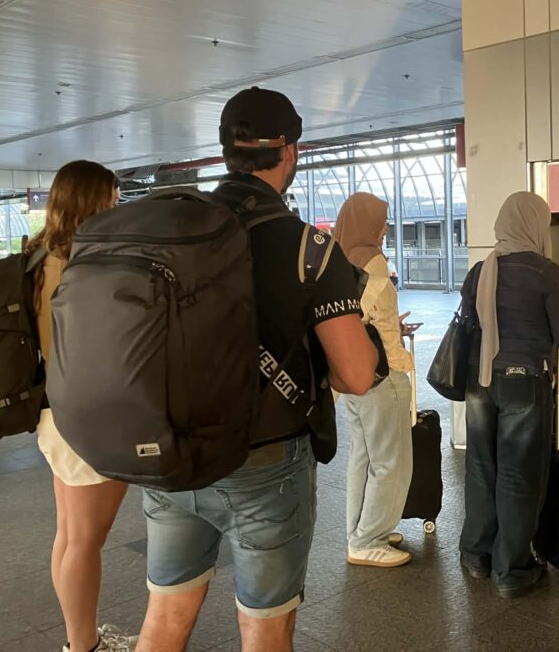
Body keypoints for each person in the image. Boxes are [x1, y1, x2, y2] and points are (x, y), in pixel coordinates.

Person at [135, 87, 378, 652]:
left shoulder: (173, 233)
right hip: (266, 466)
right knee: (265, 631)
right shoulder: (308, 249)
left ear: (225, 153)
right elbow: (357, 375)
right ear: (289, 151)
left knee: (164, 622)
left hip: (173, 456)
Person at [26, 160, 133, 652]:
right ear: (91, 202)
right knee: (86, 538)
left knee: (70, 534)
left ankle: (80, 638)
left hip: (55, 411)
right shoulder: (77, 266)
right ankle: (82, 646)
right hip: (86, 415)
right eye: (111, 200)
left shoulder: (40, 257)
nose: (116, 208)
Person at [458, 191, 559, 599]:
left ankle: (476, 556)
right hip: (523, 383)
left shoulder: (480, 270)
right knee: (518, 476)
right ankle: (513, 570)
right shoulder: (546, 273)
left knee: (481, 468)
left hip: (480, 381)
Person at [333, 193, 414, 567]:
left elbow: (350, 317)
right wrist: (401, 357)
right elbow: (366, 318)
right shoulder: (374, 262)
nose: (384, 229)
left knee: (362, 457)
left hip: (351, 377)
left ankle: (361, 530)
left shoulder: (335, 258)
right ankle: (370, 538)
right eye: (381, 221)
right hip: (382, 377)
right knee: (391, 461)